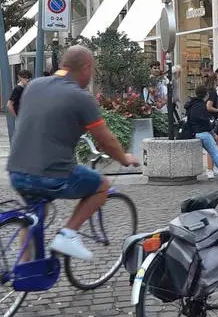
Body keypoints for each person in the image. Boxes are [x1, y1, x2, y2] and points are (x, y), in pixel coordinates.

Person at [6, 46, 139, 259]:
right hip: (51, 174)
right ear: (86, 67)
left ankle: (24, 270)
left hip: (17, 170)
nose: (92, 74)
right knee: (101, 185)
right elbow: (105, 140)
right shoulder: (80, 97)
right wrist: (124, 158)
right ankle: (68, 234)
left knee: (34, 215)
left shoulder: (34, 85)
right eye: (92, 69)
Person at [185, 84, 218, 182]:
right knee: (215, 153)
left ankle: (214, 171)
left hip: (194, 133)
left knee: (213, 153)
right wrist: (212, 133)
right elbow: (205, 122)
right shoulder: (201, 106)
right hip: (203, 133)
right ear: (206, 95)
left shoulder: (191, 105)